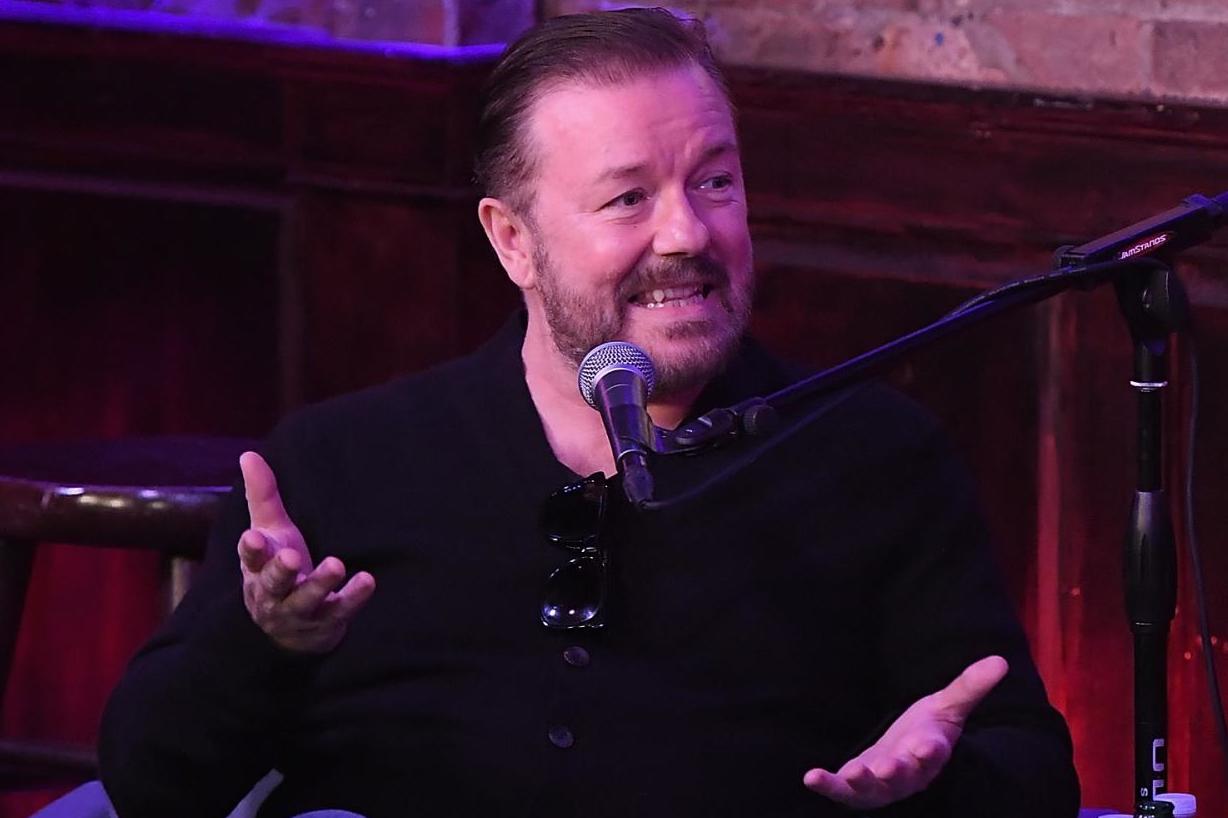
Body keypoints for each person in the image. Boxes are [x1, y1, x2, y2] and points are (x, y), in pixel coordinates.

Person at [99, 8, 1080, 818]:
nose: (687, 234)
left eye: (714, 182)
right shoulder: (342, 465)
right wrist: (266, 643)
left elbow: (1028, 767)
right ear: (513, 240)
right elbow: (150, 783)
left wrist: (933, 782)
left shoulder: (870, 460)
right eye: (627, 200)